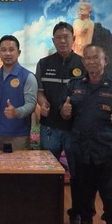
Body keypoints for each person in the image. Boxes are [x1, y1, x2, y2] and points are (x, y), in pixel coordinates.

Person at [60, 44, 112, 224]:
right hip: (81, 150)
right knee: (82, 193)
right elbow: (66, 115)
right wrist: (64, 111)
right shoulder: (75, 85)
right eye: (87, 58)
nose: (91, 62)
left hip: (107, 152)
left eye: (96, 58)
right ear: (83, 62)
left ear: (105, 60)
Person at [35, 21, 84, 163]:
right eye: (58, 37)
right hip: (50, 125)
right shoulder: (43, 63)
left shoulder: (83, 63)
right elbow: (39, 91)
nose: (62, 41)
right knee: (48, 168)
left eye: (66, 37)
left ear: (73, 39)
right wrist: (43, 104)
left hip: (75, 127)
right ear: (53, 40)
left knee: (77, 169)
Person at [0, 35, 37, 151]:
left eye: (11, 50)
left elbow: (31, 104)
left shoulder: (28, 76)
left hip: (18, 136)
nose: (7, 53)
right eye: (4, 50)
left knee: (17, 163)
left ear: (18, 53)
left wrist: (17, 112)